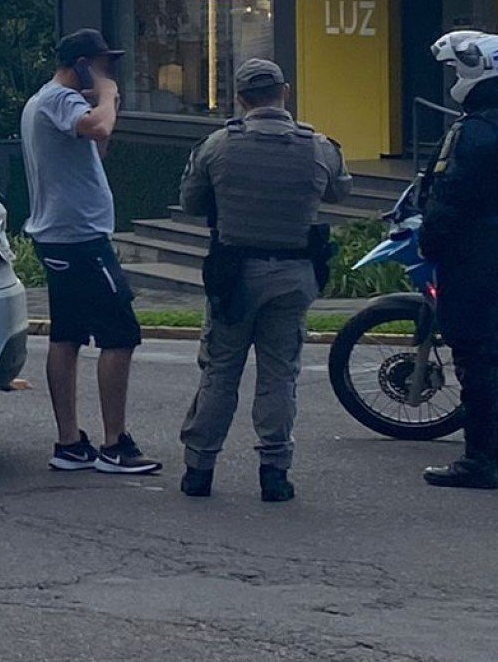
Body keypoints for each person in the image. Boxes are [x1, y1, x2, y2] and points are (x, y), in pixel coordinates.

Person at [175, 59, 352, 503]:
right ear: (284, 92)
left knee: (220, 370)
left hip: (234, 274)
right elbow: (339, 191)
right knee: (279, 373)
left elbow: (191, 202)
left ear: (240, 98)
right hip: (294, 273)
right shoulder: (316, 146)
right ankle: (274, 471)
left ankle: (199, 467)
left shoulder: (218, 145)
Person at [22, 29, 161, 475]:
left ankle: (69, 443)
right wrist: (107, 95)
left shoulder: (48, 102)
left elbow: (95, 147)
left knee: (68, 335)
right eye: (102, 65)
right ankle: (114, 443)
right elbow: (99, 127)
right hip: (79, 239)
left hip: (63, 235)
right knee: (120, 333)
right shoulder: (60, 100)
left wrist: (104, 103)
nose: (109, 73)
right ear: (81, 64)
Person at [417, 31, 498, 490]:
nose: (454, 76)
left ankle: (478, 462)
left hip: (473, 255)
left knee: (475, 359)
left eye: (457, 69)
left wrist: (431, 241)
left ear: (478, 72)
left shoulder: (472, 131)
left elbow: (450, 196)